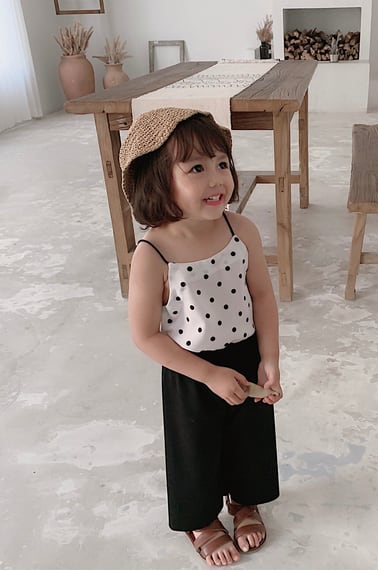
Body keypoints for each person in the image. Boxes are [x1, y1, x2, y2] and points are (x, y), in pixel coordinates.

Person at [119, 107, 282, 566]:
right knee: (196, 446)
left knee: (249, 438)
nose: (216, 179)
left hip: (245, 354)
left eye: (221, 163)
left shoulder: (240, 230)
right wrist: (208, 374)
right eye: (195, 168)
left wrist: (269, 359)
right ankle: (202, 519)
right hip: (191, 370)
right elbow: (145, 335)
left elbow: (262, 296)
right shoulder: (153, 253)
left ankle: (245, 501)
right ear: (157, 180)